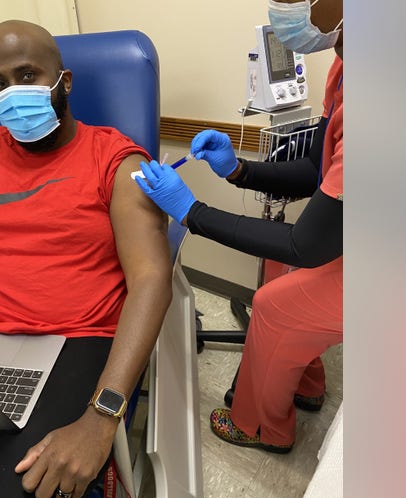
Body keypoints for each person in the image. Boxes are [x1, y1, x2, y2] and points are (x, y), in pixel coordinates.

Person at [0, 20, 172, 498]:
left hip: (71, 347)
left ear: (64, 81)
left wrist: (101, 417)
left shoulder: (113, 161)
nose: (12, 93)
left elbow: (151, 279)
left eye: (27, 75)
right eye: (0, 83)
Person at [134, 0, 343, 453]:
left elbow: (304, 246)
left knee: (274, 305)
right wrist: (239, 172)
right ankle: (304, 383)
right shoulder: (344, 65)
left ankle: (262, 427)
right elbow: (315, 167)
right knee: (282, 273)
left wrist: (192, 212)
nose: (284, 11)